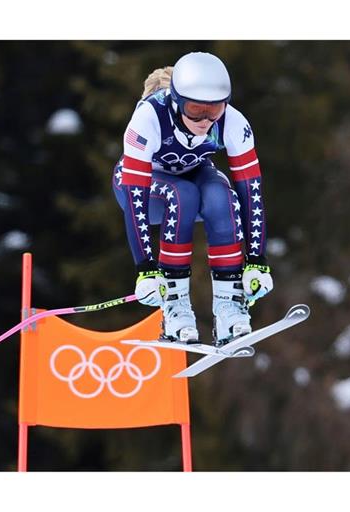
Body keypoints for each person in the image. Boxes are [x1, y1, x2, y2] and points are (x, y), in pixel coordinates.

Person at [112, 51, 273, 345]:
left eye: (214, 111)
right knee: (182, 194)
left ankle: (229, 307)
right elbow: (136, 195)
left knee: (220, 196)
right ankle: (175, 307)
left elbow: (251, 192)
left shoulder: (232, 122)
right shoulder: (148, 118)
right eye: (196, 109)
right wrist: (145, 269)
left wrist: (257, 261)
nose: (205, 120)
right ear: (175, 102)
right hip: (145, 192)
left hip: (194, 176)